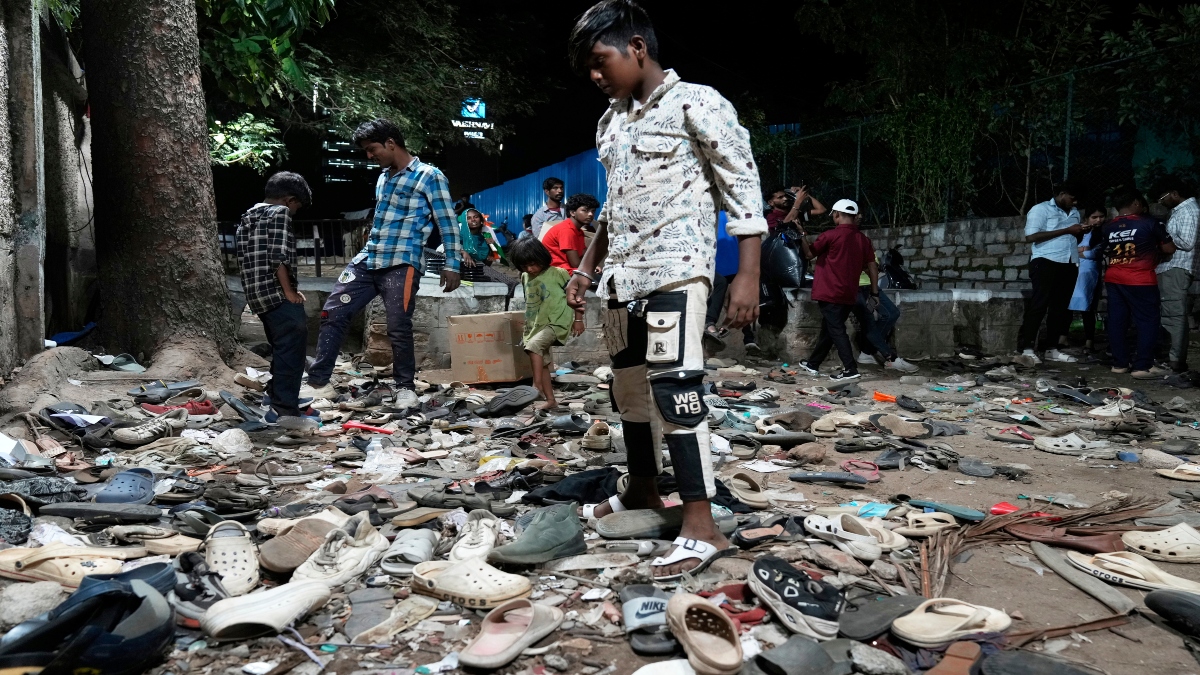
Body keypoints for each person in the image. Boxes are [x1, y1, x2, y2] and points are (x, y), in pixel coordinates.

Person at [565, 0, 766, 580]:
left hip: (676, 270)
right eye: (588, 68)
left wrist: (746, 275)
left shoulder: (697, 103)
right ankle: (644, 493)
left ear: (637, 47)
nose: (596, 76)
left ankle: (701, 525)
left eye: (601, 61)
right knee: (629, 395)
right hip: (620, 279)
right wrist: (584, 269)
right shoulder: (610, 122)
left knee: (677, 392)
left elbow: (743, 188)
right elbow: (613, 206)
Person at [304, 118, 462, 408]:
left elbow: (448, 222)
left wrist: (452, 264)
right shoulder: (383, 178)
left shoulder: (429, 175)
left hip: (403, 261)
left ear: (391, 143)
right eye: (365, 150)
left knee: (398, 325)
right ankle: (319, 382)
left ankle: (405, 388)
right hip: (370, 257)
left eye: (372, 148)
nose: (369, 155)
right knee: (332, 313)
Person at [235, 172, 312, 418]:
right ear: (289, 200)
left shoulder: (249, 215)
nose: (295, 212)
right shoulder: (279, 214)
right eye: (296, 207)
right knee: (293, 346)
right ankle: (285, 409)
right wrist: (288, 291)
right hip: (275, 292)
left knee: (281, 346)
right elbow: (278, 255)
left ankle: (275, 395)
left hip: (257, 293)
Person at [1092, 190, 1174, 379]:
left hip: (1114, 278)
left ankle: (1119, 364)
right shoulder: (1148, 223)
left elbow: (1102, 249)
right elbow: (1169, 247)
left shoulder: (1108, 227)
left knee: (1117, 321)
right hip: (1141, 279)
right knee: (1148, 321)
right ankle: (1142, 366)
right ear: (1136, 203)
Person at [794, 199, 877, 381]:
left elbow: (809, 254)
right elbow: (872, 266)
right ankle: (813, 364)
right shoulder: (864, 240)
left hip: (829, 291)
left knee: (836, 329)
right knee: (830, 328)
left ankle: (850, 368)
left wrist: (802, 234)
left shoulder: (830, 235)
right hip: (849, 293)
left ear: (837, 215)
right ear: (854, 217)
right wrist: (875, 292)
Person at [511, 237, 583, 410]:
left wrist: (578, 320)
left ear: (542, 258)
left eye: (533, 264)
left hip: (557, 321)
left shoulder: (559, 273)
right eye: (524, 266)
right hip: (536, 324)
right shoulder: (525, 276)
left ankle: (536, 386)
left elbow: (577, 296)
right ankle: (551, 401)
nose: (530, 269)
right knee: (542, 361)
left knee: (534, 347)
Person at [1017, 181, 1084, 364]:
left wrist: (1080, 231)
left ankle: (1052, 349)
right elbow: (1031, 236)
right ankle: (1028, 348)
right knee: (1039, 304)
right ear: (1062, 194)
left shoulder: (1075, 213)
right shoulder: (1041, 209)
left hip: (1069, 261)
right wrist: (1067, 229)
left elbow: (1073, 237)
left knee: (1060, 308)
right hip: (1046, 260)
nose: (1075, 203)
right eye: (1072, 198)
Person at [1156, 176, 1199, 372]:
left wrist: (1161, 235)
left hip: (1177, 267)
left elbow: (1187, 242)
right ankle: (1172, 358)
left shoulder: (1189, 211)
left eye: (1162, 198)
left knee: (1174, 314)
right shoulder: (1180, 211)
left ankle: (1175, 361)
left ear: (1174, 194)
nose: (1161, 203)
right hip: (1170, 267)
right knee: (1169, 313)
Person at [853, 253, 919, 373]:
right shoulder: (846, 243)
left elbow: (874, 265)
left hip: (870, 286)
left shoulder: (865, 242)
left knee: (891, 313)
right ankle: (891, 358)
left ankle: (867, 352)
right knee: (869, 322)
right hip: (855, 288)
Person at [1065, 206, 1108, 351]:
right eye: (1094, 217)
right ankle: (1062, 338)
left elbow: (1093, 254)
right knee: (1067, 305)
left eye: (1101, 217)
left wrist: (1080, 251)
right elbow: (1067, 249)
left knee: (1087, 306)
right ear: (1086, 219)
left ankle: (1089, 341)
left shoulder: (1102, 234)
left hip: (1089, 273)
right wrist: (1081, 250)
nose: (1098, 220)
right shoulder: (1079, 233)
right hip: (1073, 270)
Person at [542, 193, 599, 270]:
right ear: (572, 212)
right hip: (559, 272)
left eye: (593, 211)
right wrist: (591, 267)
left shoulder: (579, 231)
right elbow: (575, 263)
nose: (590, 214)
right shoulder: (567, 230)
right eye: (585, 210)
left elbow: (584, 254)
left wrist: (594, 266)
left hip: (568, 270)